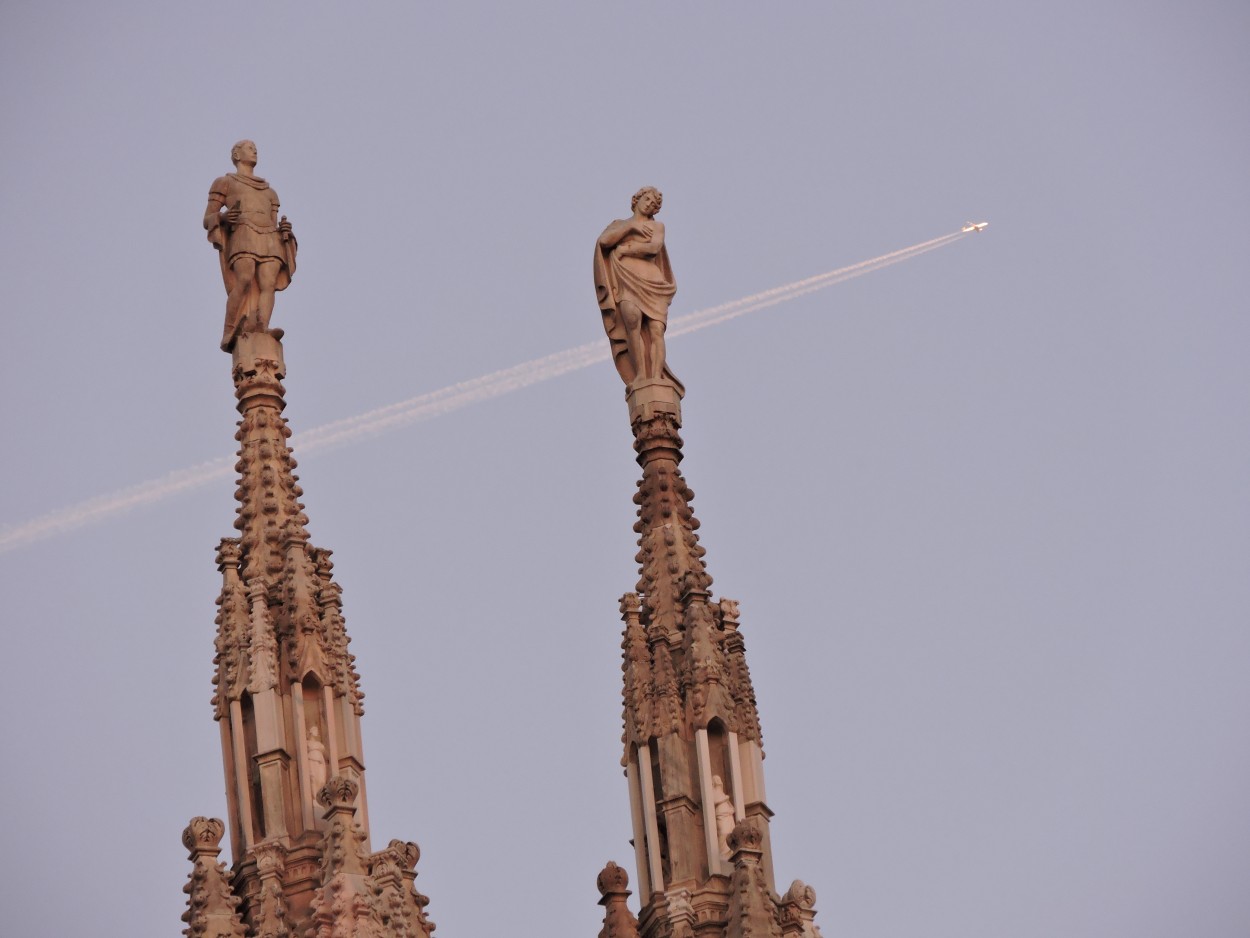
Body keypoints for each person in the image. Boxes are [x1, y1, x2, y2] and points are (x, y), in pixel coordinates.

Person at [203, 140, 297, 351]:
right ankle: (229, 330)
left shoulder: (270, 192)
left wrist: (284, 231)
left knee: (268, 284)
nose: (254, 151)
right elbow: (207, 218)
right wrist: (223, 218)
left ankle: (262, 326)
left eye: (255, 148)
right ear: (236, 155)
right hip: (243, 233)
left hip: (269, 237)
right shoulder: (224, 182)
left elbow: (273, 222)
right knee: (244, 279)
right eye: (248, 148)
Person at [594, 186, 681, 389]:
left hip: (653, 283)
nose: (649, 204)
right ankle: (641, 374)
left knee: (656, 330)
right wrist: (631, 229)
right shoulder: (619, 225)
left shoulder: (657, 226)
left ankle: (657, 376)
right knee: (632, 325)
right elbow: (604, 242)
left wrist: (627, 249)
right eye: (647, 199)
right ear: (637, 199)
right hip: (627, 282)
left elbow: (653, 248)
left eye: (654, 204)